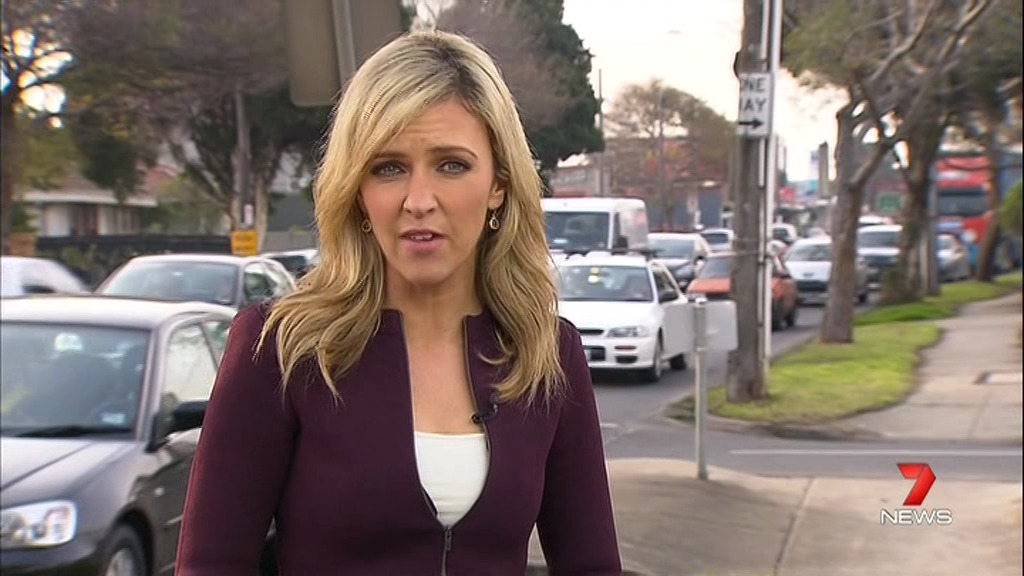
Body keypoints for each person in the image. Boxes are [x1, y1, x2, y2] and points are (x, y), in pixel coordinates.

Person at [175, 30, 621, 575]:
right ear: (358, 190)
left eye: (451, 165)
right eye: (389, 167)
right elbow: (211, 565)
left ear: (499, 185)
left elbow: (592, 565)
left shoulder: (546, 354)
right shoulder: (281, 350)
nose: (418, 201)